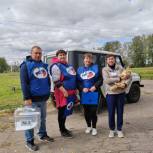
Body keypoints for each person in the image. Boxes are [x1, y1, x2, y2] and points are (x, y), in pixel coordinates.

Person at [20, 46, 54, 151]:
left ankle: (42, 134)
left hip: (43, 98)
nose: (38, 55)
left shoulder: (44, 65)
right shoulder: (25, 65)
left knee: (42, 119)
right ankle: (29, 141)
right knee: (30, 121)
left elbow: (47, 80)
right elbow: (24, 82)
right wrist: (26, 97)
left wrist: (48, 92)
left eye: (40, 53)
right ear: (31, 53)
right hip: (31, 99)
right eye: (36, 53)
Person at [49, 49, 77, 138]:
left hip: (70, 93)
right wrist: (64, 91)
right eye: (60, 55)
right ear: (57, 57)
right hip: (62, 93)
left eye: (64, 55)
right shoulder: (56, 66)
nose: (62, 56)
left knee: (66, 111)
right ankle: (62, 131)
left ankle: (64, 128)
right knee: (61, 112)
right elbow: (56, 81)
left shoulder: (68, 66)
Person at [102, 54, 131, 138]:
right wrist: (119, 78)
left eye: (112, 59)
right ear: (107, 61)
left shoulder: (120, 68)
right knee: (111, 112)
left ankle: (119, 129)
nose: (111, 60)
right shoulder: (105, 69)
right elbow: (107, 80)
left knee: (120, 112)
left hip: (120, 94)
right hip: (110, 94)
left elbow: (128, 76)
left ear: (114, 60)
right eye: (109, 59)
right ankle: (111, 130)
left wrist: (125, 84)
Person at [77, 53, 103, 136]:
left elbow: (100, 79)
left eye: (89, 59)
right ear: (84, 60)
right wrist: (81, 88)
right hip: (84, 93)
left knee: (93, 111)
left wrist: (95, 86)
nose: (87, 60)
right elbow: (77, 82)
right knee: (86, 111)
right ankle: (88, 126)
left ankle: (94, 127)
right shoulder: (80, 69)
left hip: (94, 92)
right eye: (86, 58)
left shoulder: (96, 68)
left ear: (92, 60)